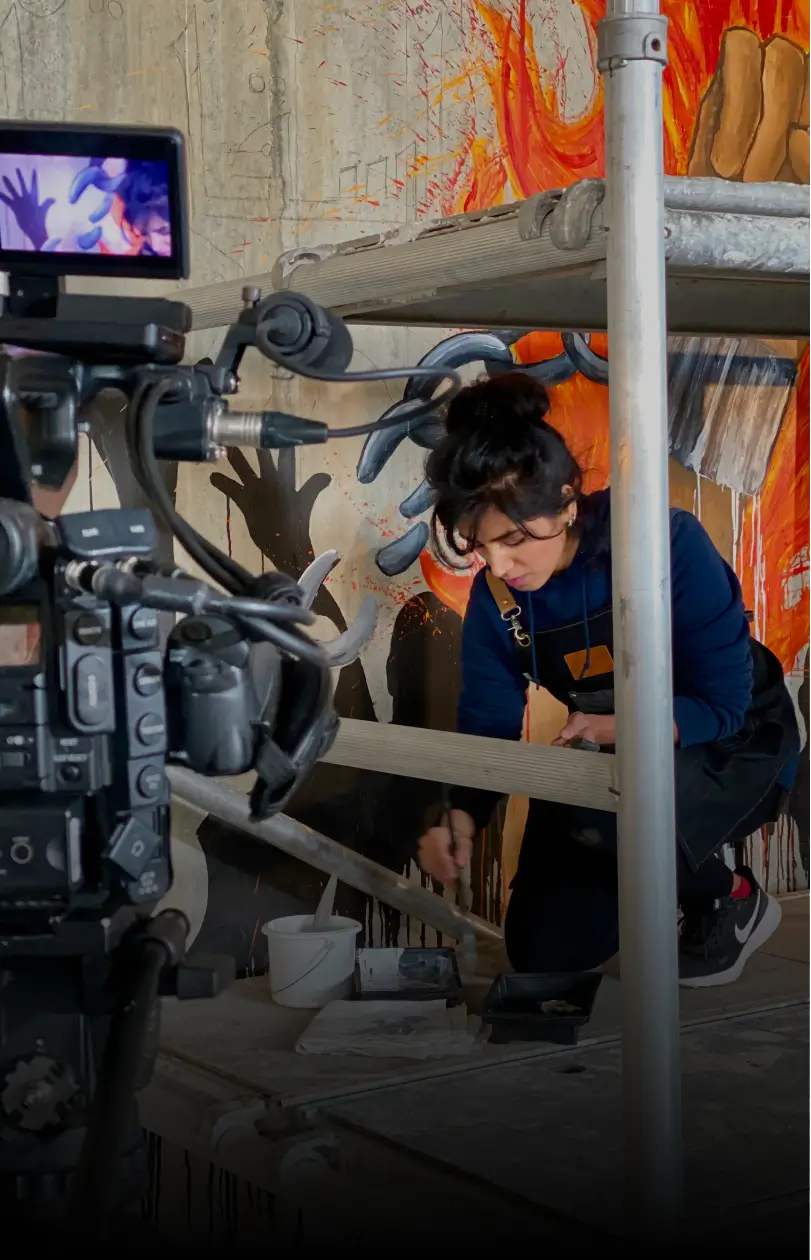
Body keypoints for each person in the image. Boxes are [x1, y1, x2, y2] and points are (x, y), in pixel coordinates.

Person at [415, 373, 800, 987]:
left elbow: (724, 704)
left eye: (514, 539)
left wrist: (618, 726)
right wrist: (461, 814)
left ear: (568, 503)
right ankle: (643, 859)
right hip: (613, 742)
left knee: (615, 810)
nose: (499, 565)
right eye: (480, 545)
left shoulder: (662, 541)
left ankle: (728, 894)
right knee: (544, 950)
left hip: (734, 736)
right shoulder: (496, 594)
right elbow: (488, 723)